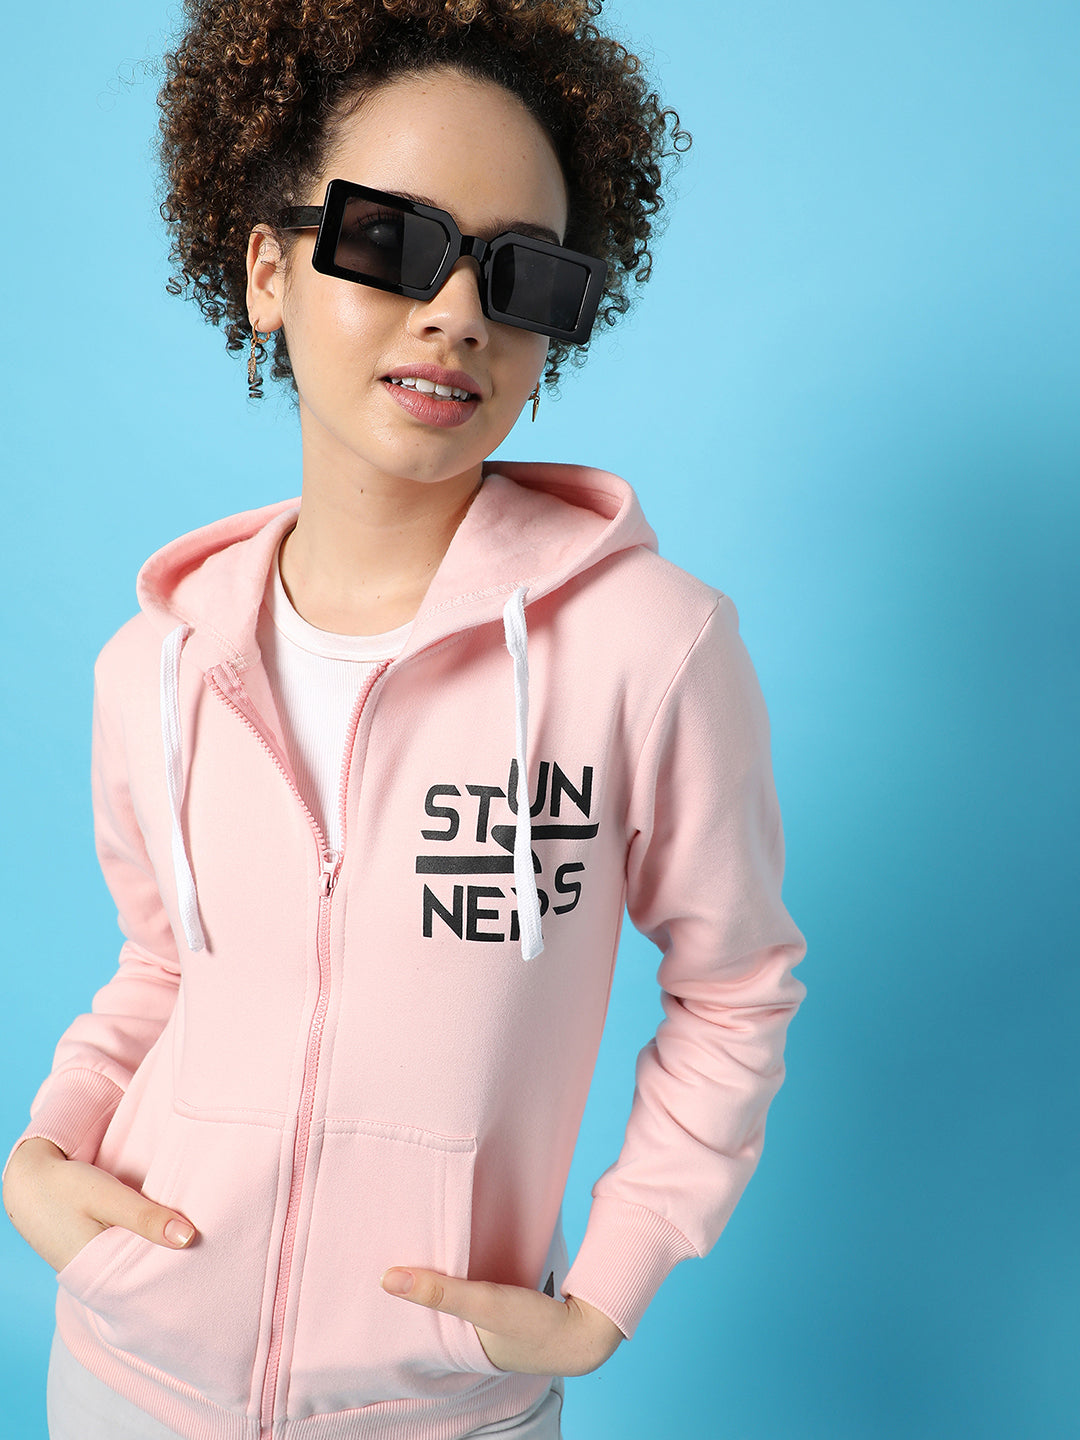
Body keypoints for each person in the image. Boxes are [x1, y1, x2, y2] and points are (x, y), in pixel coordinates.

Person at [2, 1, 808, 1437]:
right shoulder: (156, 665)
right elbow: (165, 966)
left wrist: (608, 1288)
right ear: (270, 269)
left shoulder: (652, 650)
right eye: (391, 240)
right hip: (125, 1377)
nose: (457, 312)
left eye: (522, 272)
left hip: (441, 1408)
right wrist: (44, 1150)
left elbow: (735, 988)